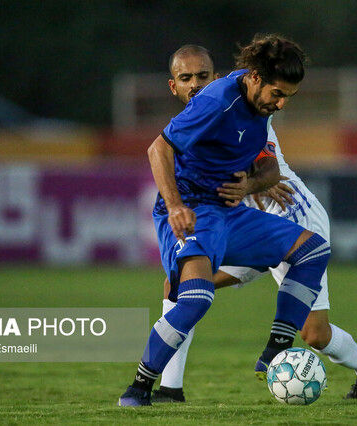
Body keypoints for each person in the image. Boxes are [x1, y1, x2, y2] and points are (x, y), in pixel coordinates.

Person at [151, 45, 357, 404]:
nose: (195, 85)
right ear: (174, 86)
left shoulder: (242, 106)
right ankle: (170, 389)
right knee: (180, 286)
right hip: (238, 222)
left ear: (215, 78)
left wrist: (253, 183)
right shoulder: (205, 115)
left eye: (202, 76)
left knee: (315, 335)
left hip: (289, 213)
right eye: (186, 78)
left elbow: (268, 169)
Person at [119, 34, 331, 407]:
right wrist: (175, 207)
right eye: (277, 94)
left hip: (229, 213)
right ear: (253, 78)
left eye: (287, 97)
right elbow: (158, 148)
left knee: (312, 250)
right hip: (194, 213)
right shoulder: (217, 101)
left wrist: (250, 182)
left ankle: (276, 350)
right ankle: (139, 386)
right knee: (197, 298)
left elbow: (269, 168)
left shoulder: (259, 107)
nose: (280, 104)